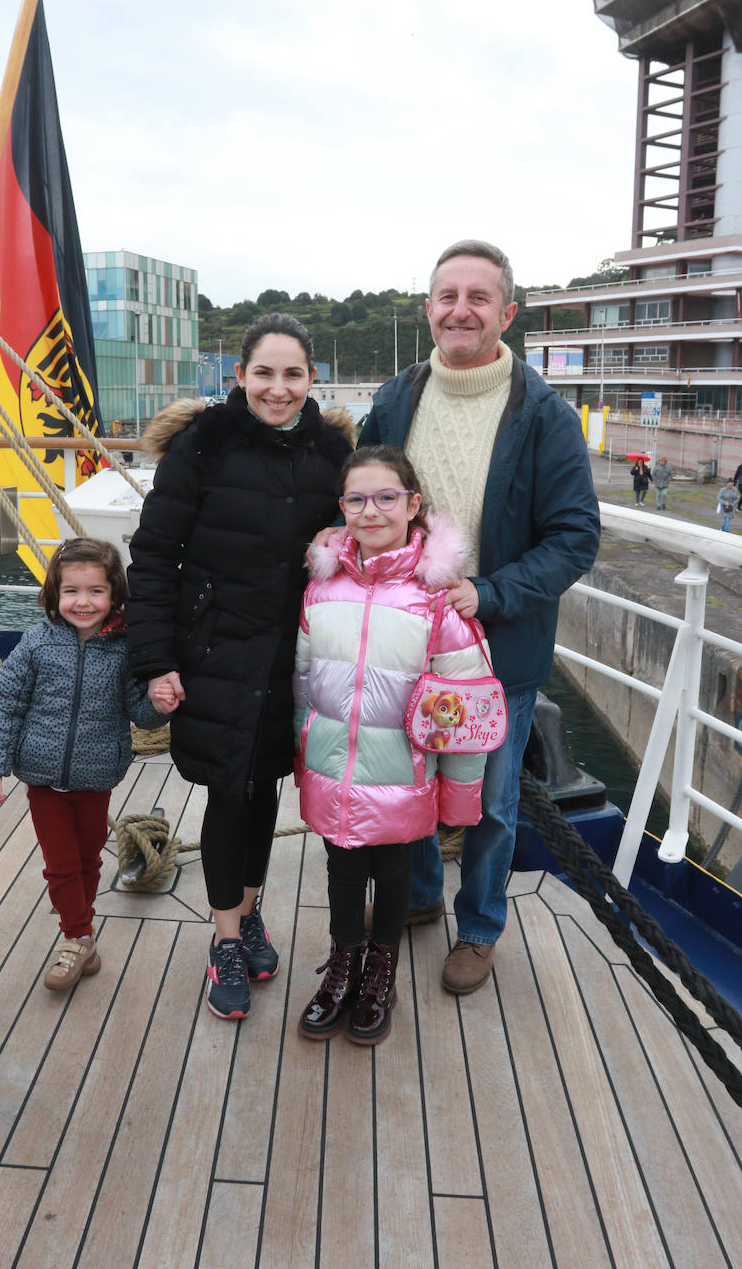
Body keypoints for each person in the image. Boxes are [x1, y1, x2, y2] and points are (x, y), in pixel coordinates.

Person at [356, 238, 600, 995]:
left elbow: (575, 536)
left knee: (492, 801)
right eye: (447, 296)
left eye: (479, 297)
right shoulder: (397, 399)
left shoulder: (546, 416)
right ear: (429, 309)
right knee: (412, 781)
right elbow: (364, 497)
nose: (461, 310)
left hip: (499, 647)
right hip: (406, 636)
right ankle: (423, 894)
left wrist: (488, 594)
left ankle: (482, 927)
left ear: (507, 312)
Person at [126, 312, 355, 1021]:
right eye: (264, 373)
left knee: (265, 787)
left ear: (313, 378)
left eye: (292, 375)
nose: (278, 389)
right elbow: (156, 557)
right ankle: (227, 937)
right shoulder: (203, 446)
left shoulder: (332, 453)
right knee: (230, 790)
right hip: (216, 650)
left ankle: (248, 912)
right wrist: (155, 661)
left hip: (294, 654)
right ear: (240, 376)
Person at [294, 446, 489, 1045]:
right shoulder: (320, 589)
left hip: (404, 770)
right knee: (342, 868)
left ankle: (381, 971)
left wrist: (457, 796)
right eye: (355, 498)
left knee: (396, 868)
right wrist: (304, 754)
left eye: (385, 497)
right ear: (341, 508)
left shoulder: (440, 601)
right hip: (333, 765)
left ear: (413, 504)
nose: (370, 510)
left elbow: (466, 715)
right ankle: (343, 963)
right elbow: (304, 683)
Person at [0, 537, 168, 991]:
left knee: (87, 860)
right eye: (71, 592)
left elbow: (140, 713)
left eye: (96, 591)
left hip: (97, 775)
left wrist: (160, 703)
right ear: (54, 594)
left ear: (115, 593)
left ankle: (82, 937)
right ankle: (76, 936)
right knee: (61, 865)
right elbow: (5, 702)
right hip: (42, 779)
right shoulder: (38, 642)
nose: (83, 602)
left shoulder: (125, 650)